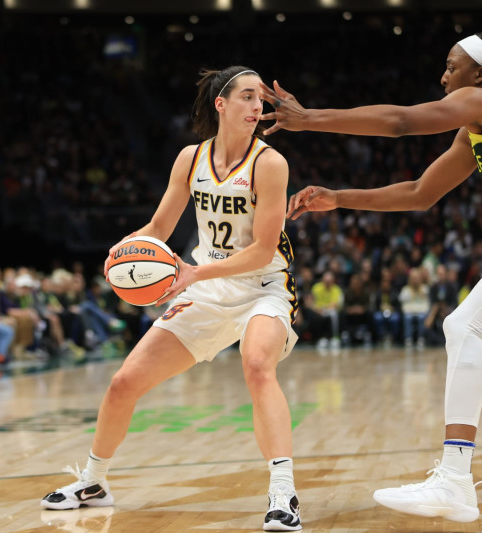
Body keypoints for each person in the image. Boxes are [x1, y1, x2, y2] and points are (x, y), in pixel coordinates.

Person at [262, 33, 482, 520]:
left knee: (462, 326)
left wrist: (310, 119)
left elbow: (402, 121)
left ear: (480, 74)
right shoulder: (477, 128)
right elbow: (421, 192)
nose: (444, 77)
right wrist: (339, 197)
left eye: (452, 67)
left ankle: (454, 479)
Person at [41, 66, 302, 531]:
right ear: (220, 104)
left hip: (264, 285)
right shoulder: (189, 158)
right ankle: (94, 481)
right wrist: (123, 252)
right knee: (124, 382)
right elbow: (159, 228)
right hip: (204, 285)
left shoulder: (270, 164)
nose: (257, 106)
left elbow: (263, 249)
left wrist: (192, 272)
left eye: (260, 99)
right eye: (246, 97)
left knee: (257, 365)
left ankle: (283, 492)